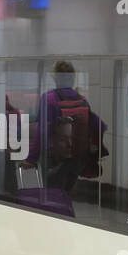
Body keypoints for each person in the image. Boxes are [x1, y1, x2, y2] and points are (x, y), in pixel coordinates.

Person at [26, 61, 107, 193]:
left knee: (51, 197)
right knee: (65, 195)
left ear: (56, 78)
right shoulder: (82, 100)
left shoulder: (49, 99)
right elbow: (99, 126)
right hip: (77, 160)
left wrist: (31, 159)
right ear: (73, 78)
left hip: (54, 159)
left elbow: (42, 132)